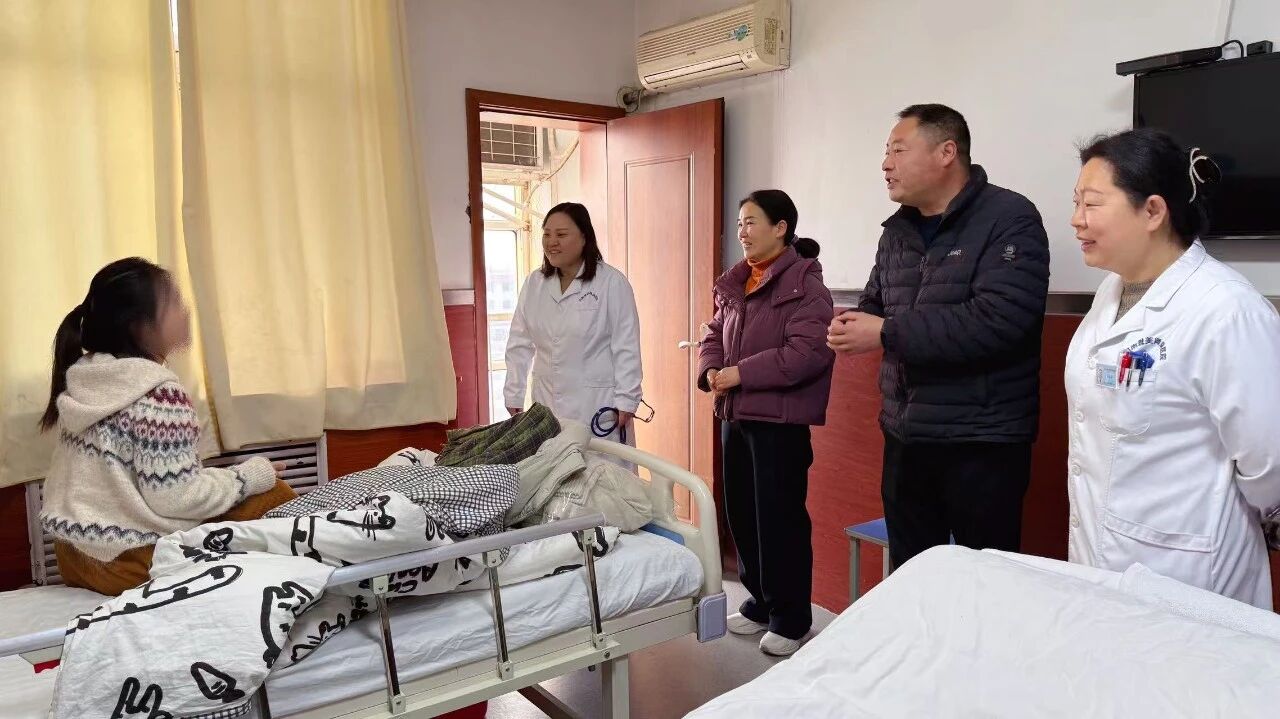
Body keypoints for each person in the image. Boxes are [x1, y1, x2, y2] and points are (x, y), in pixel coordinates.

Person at [827, 104, 1050, 570]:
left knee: (984, 578)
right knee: (913, 574)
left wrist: (885, 331)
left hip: (981, 439)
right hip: (906, 435)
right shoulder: (897, 232)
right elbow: (876, 300)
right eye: (886, 152)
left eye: (898, 150)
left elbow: (999, 322)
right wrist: (856, 324)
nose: (885, 164)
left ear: (947, 152)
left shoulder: (1009, 217)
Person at [1066, 128, 1280, 609]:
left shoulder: (1227, 310)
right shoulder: (1110, 293)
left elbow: (1269, 461)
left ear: (1153, 212)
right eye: (1076, 202)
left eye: (1091, 204)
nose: (1076, 219)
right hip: (1100, 555)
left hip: (1187, 569)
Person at [39, 257, 297, 596]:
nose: (185, 311)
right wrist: (248, 477)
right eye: (173, 302)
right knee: (275, 494)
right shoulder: (158, 394)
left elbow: (153, 484)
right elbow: (176, 498)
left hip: (74, 556)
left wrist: (231, 478)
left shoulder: (88, 378)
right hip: (127, 561)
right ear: (139, 326)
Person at [697, 190, 834, 657]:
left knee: (780, 519)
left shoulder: (806, 286)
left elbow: (806, 353)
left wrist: (741, 373)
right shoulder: (738, 281)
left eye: (752, 222)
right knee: (743, 515)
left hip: (779, 423)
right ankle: (760, 600)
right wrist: (710, 370)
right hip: (735, 414)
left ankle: (791, 618)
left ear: (781, 228)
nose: (743, 231)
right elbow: (714, 332)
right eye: (740, 223)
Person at [504, 203, 643, 444]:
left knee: (602, 465)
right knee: (554, 463)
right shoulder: (534, 284)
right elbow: (519, 343)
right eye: (547, 234)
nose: (551, 242)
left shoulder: (611, 283)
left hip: (596, 407)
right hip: (547, 403)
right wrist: (513, 392)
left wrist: (627, 399)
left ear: (584, 237)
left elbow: (626, 346)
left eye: (561, 234)